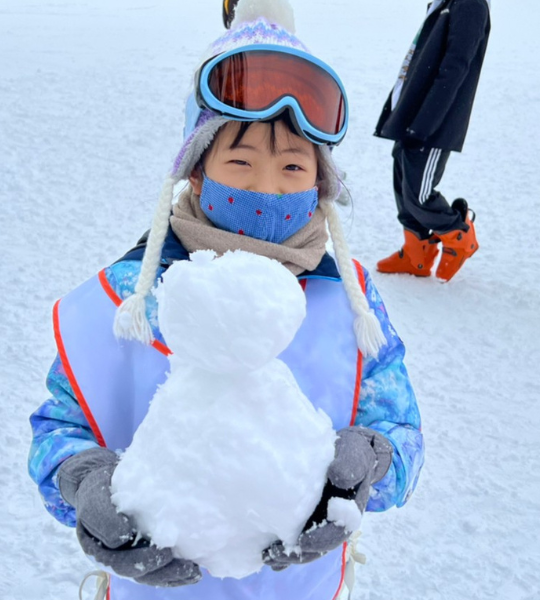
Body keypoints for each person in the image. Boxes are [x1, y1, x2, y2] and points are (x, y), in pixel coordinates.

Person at [28, 1, 425, 598]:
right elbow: (60, 427)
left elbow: (400, 428)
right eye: (240, 162)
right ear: (196, 172)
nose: (267, 187)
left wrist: (372, 459)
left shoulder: (351, 303)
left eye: (294, 165)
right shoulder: (125, 300)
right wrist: (81, 478)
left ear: (318, 184)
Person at [374, 0, 491, 282]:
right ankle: (417, 254)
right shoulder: (445, 2)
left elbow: (456, 67)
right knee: (402, 174)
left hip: (435, 121)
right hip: (414, 112)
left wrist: (426, 123)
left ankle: (460, 235)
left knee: (419, 193)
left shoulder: (470, 4)